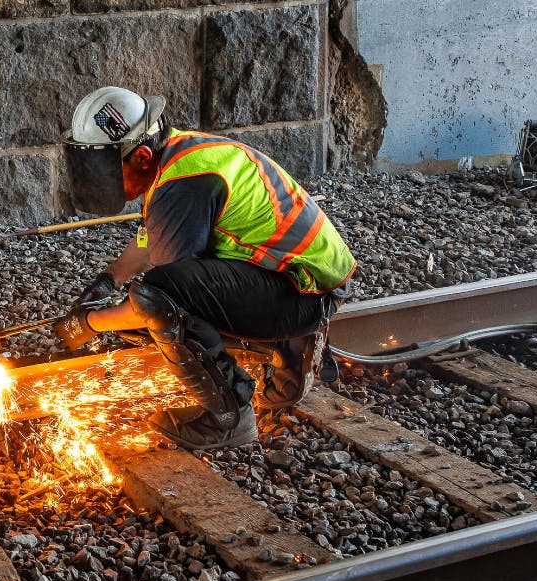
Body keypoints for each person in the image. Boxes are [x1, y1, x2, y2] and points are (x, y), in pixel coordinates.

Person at [52, 86, 357, 451]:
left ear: (143, 157)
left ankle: (228, 418)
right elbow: (155, 236)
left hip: (301, 293)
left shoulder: (181, 186)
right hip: (299, 280)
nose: (101, 179)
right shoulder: (181, 153)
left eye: (105, 169)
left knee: (158, 304)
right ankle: (286, 344)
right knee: (156, 308)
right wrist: (108, 280)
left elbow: (166, 296)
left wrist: (89, 323)